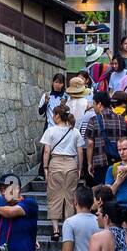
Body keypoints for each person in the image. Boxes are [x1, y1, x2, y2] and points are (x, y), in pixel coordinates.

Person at [40, 103, 81, 242]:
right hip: (71, 164)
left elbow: (46, 151)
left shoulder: (50, 131)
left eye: (54, 114)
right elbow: (80, 150)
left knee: (54, 196)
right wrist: (80, 167)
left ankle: (56, 230)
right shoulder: (74, 131)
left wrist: (45, 168)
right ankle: (69, 229)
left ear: (57, 116)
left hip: (56, 164)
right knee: (70, 196)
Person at [83, 90, 127, 187]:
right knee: (116, 188)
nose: (94, 107)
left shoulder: (94, 120)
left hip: (100, 161)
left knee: (100, 191)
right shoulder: (122, 120)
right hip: (119, 161)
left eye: (94, 104)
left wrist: (89, 163)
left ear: (99, 104)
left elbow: (90, 143)